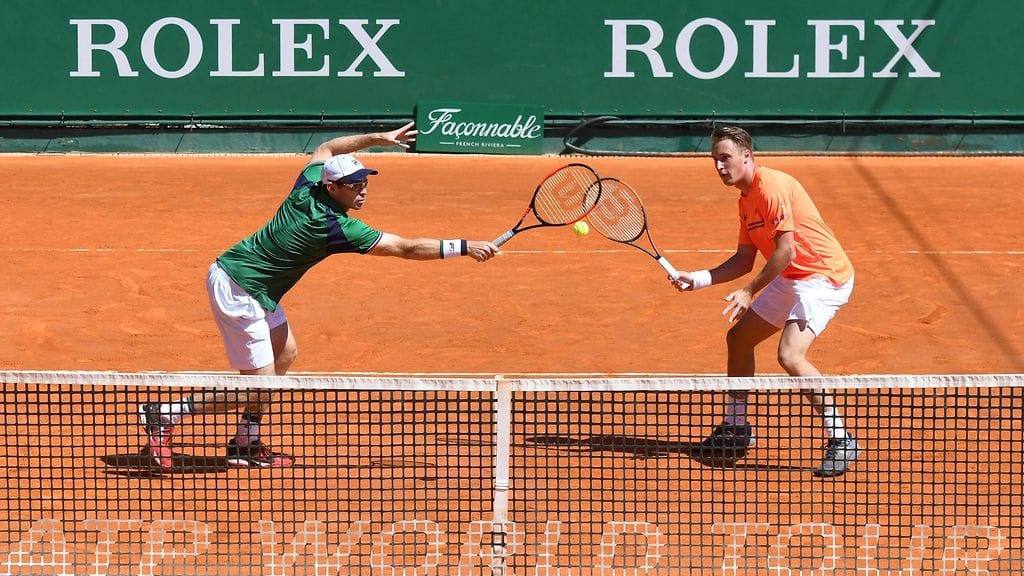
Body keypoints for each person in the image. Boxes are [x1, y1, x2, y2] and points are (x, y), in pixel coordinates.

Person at [138, 122, 499, 470]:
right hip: (240, 287)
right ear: (332, 188)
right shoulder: (333, 228)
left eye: (363, 181)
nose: (362, 189)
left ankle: (245, 442)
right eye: (352, 184)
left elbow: (327, 148)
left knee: (285, 352)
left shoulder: (308, 183)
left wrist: (379, 138)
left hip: (257, 284)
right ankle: (166, 414)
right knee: (254, 386)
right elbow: (404, 248)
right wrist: (466, 247)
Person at [672, 125, 859, 478]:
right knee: (739, 339)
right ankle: (737, 429)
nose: (719, 167)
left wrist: (748, 291)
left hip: (823, 278)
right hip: (791, 277)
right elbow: (744, 260)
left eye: (725, 158)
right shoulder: (746, 201)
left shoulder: (771, 188)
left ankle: (841, 438)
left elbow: (785, 252)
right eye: (714, 160)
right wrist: (697, 279)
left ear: (747, 155)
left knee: (790, 354)